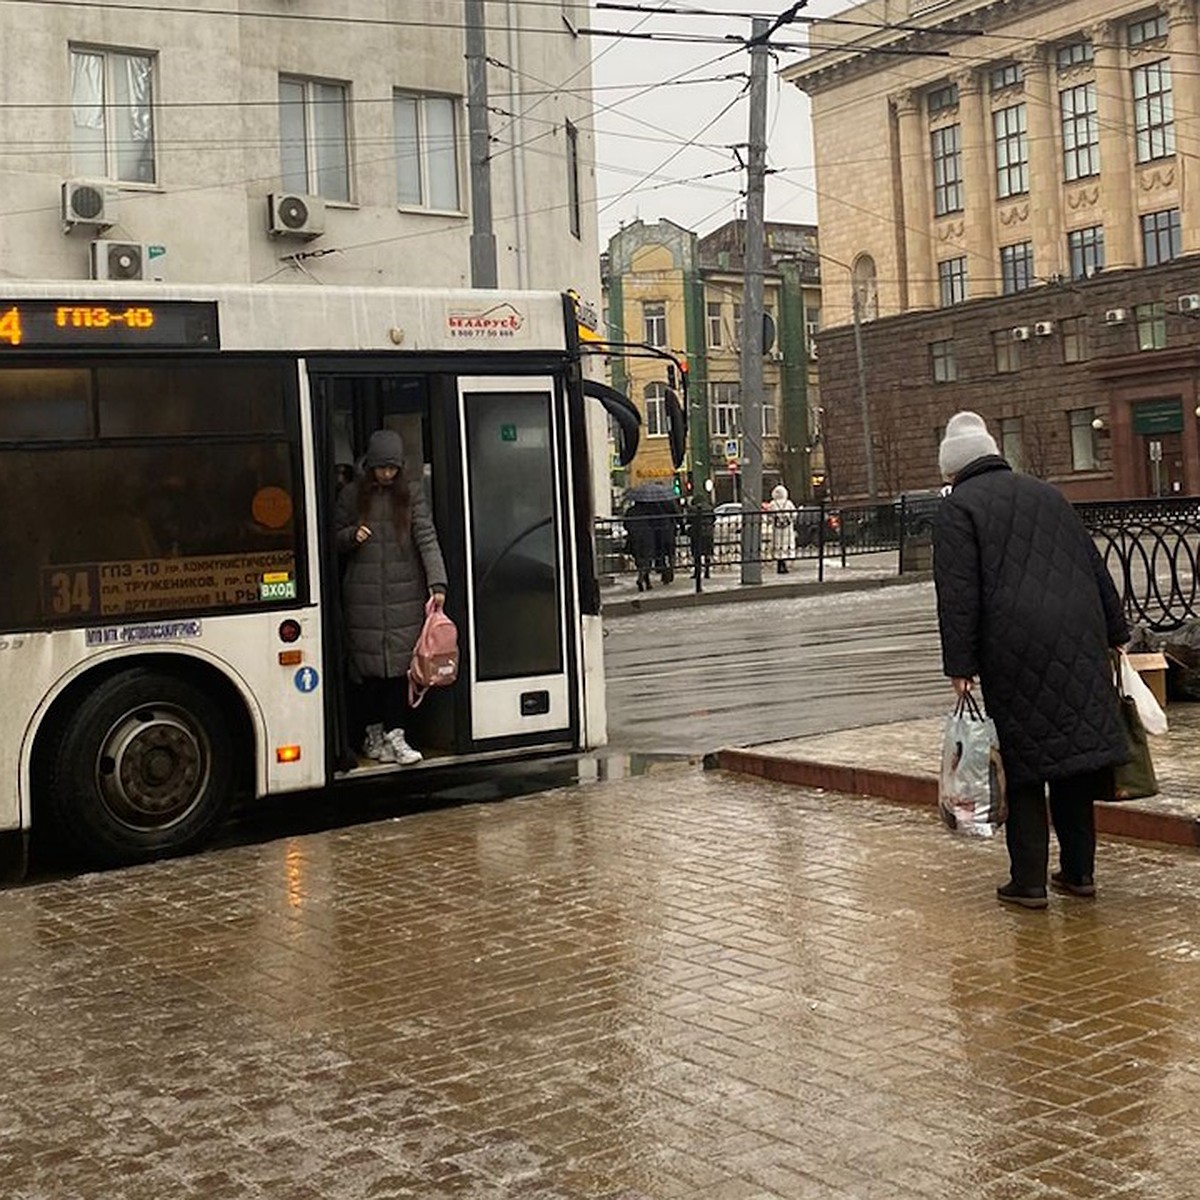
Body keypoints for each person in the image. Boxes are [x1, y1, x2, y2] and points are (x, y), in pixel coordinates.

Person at [932, 411, 1130, 909]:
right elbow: (1092, 564)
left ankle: (1029, 883)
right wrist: (1116, 632)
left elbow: (958, 596)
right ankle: (1080, 874)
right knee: (1073, 763)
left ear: (954, 468)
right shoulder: (1049, 494)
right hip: (1078, 638)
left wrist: (961, 665)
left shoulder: (959, 510)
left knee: (1023, 767)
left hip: (1014, 648)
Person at [335, 429, 447, 766]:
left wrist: (437, 583)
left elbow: (426, 537)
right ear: (370, 465)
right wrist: (351, 536)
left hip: (405, 596)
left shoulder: (410, 496)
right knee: (368, 673)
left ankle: (396, 736)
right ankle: (372, 736)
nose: (387, 474)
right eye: (381, 468)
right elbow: (332, 538)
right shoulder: (352, 496)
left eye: (392, 468)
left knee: (401, 671)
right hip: (363, 598)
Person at [766, 484, 797, 573]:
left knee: (777, 544)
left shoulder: (772, 503)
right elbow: (794, 515)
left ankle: (780, 563)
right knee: (786, 544)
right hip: (787, 528)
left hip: (777, 528)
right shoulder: (788, 503)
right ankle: (785, 563)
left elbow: (769, 516)